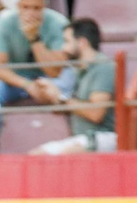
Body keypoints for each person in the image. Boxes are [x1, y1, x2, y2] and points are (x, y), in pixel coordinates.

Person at [31, 17, 117, 154]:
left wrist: (60, 96)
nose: (63, 48)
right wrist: (48, 95)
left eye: (66, 41)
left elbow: (96, 113)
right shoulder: (77, 70)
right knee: (36, 156)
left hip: (104, 137)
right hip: (83, 138)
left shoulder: (103, 67)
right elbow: (66, 107)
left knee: (64, 155)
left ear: (82, 42)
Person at [0, 0, 69, 105]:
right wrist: (27, 85)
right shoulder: (5, 21)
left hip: (48, 80)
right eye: (25, 7)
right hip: (15, 81)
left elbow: (54, 72)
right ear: (18, 6)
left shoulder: (59, 23)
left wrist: (34, 39)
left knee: (65, 89)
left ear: (45, 7)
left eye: (36, 8)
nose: (30, 13)